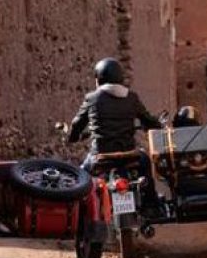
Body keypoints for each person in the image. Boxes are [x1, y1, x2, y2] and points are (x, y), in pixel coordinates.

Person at [67, 58, 162, 208]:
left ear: (99, 79)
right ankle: (152, 204)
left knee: (80, 178)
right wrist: (158, 125)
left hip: (100, 157)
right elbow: (148, 120)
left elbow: (76, 124)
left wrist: (72, 137)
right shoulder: (132, 98)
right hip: (129, 155)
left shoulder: (92, 98)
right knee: (145, 162)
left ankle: (80, 216)